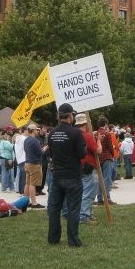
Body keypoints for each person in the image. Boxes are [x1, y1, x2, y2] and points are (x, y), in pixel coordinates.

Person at [47, 103, 89, 247]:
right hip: (72, 176)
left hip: (57, 175)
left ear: (59, 116)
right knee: (73, 209)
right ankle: (73, 240)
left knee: (54, 208)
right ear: (71, 115)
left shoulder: (52, 133)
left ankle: (53, 238)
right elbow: (82, 154)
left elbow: (51, 154)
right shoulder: (76, 133)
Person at [75, 113, 101, 224]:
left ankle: (88, 214)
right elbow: (98, 151)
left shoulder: (75, 134)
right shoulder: (87, 135)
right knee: (89, 192)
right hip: (89, 167)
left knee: (84, 192)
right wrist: (99, 140)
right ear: (86, 123)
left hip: (79, 167)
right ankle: (84, 216)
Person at [22, 124, 46, 209]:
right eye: (36, 130)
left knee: (27, 183)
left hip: (27, 163)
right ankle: (34, 203)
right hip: (34, 164)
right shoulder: (35, 140)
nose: (37, 131)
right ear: (33, 130)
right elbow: (39, 153)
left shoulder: (26, 140)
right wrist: (45, 149)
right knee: (33, 184)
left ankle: (25, 201)